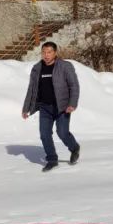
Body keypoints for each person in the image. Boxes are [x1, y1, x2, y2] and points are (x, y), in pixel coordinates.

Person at [21, 41, 80, 172]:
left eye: (49, 52)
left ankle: (74, 147)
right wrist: (26, 108)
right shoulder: (37, 68)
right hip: (44, 107)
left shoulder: (65, 66)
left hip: (62, 106)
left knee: (62, 132)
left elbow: (74, 86)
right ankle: (52, 159)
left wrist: (72, 104)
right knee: (44, 134)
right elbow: (31, 89)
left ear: (55, 53)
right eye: (44, 52)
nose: (46, 55)